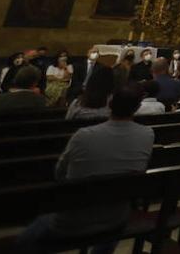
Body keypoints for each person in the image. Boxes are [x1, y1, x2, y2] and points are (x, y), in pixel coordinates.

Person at [17, 84, 154, 253]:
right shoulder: (147, 134)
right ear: (137, 108)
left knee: (24, 240)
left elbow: (59, 173)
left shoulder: (84, 135)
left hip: (72, 219)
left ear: (109, 104)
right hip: (116, 216)